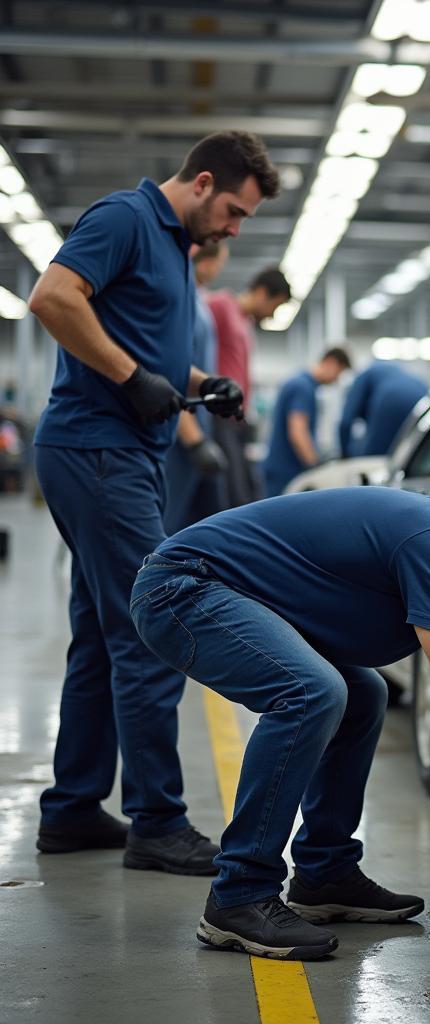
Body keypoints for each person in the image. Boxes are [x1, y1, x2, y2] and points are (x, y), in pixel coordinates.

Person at [131, 465, 430, 959]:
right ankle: (238, 895)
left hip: (220, 592)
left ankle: (325, 873)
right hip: (183, 589)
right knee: (311, 692)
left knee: (364, 695)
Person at [30, 130, 280, 874]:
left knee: (101, 634)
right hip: (98, 451)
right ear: (203, 182)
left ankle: (73, 808)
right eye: (234, 211)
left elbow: (145, 345)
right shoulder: (125, 219)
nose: (235, 230)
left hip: (118, 453)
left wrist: (201, 384)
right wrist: (130, 377)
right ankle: (157, 821)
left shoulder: (171, 246)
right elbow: (52, 297)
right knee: (149, 631)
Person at [206, 266, 291, 507]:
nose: (273, 314)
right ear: (262, 292)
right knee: (235, 494)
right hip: (218, 414)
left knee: (251, 490)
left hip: (237, 418)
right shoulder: (221, 304)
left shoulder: (245, 323)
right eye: (275, 305)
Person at [164, 241, 230, 533]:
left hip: (192, 435)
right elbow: (168, 372)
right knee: (165, 531)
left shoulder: (197, 299)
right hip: (178, 441)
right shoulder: (182, 297)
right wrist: (195, 441)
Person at [262, 347, 350, 497]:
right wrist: (314, 466)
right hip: (286, 473)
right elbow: (298, 431)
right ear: (331, 363)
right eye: (339, 373)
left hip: (280, 470)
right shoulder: (303, 387)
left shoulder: (299, 382)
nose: (336, 380)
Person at [337, 358, 428, 458]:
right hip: (423, 393)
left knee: (373, 458)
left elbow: (345, 422)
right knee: (412, 452)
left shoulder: (360, 379)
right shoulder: (383, 373)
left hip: (391, 396)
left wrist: (344, 455)